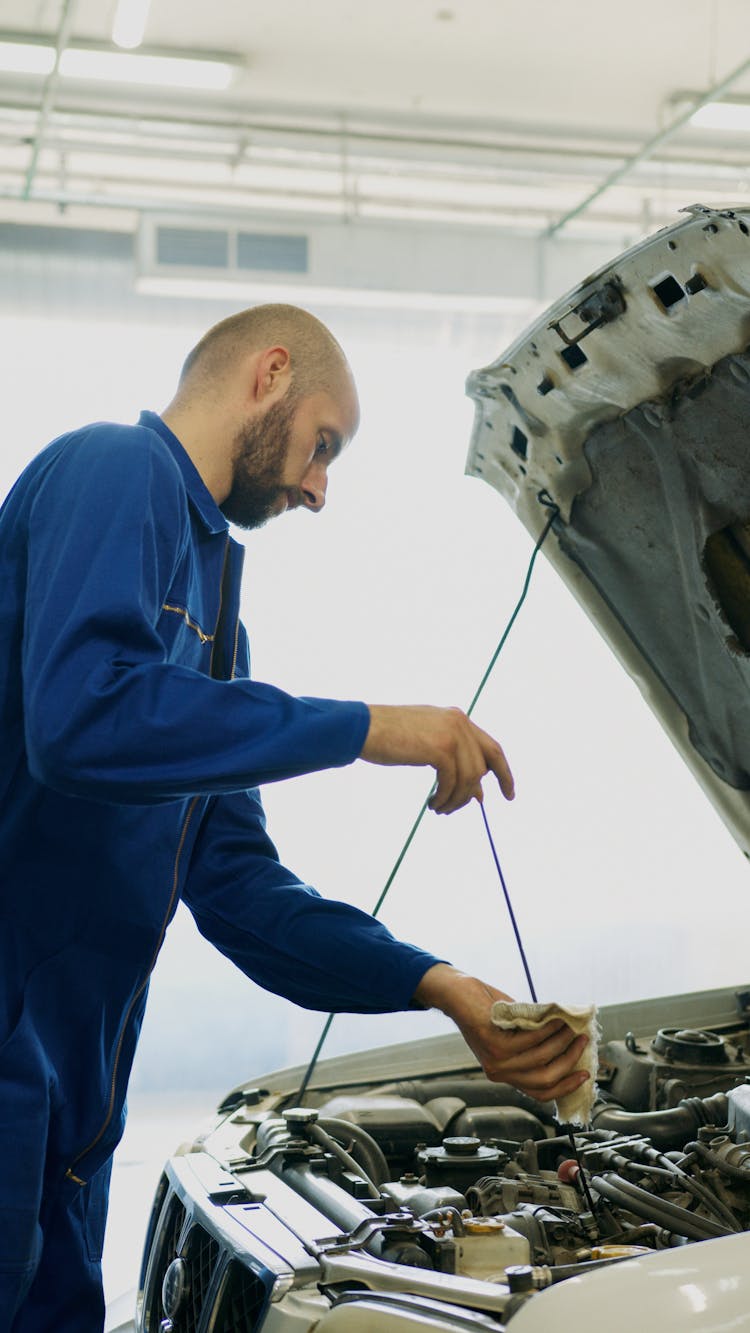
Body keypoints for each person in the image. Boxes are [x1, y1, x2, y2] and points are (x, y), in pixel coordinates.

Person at [0, 303, 588, 1330]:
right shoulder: (114, 470)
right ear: (269, 372)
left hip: (77, 1101)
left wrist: (439, 985)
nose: (319, 488)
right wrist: (370, 727)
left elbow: (241, 892)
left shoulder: (218, 626)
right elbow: (80, 717)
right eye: (326, 445)